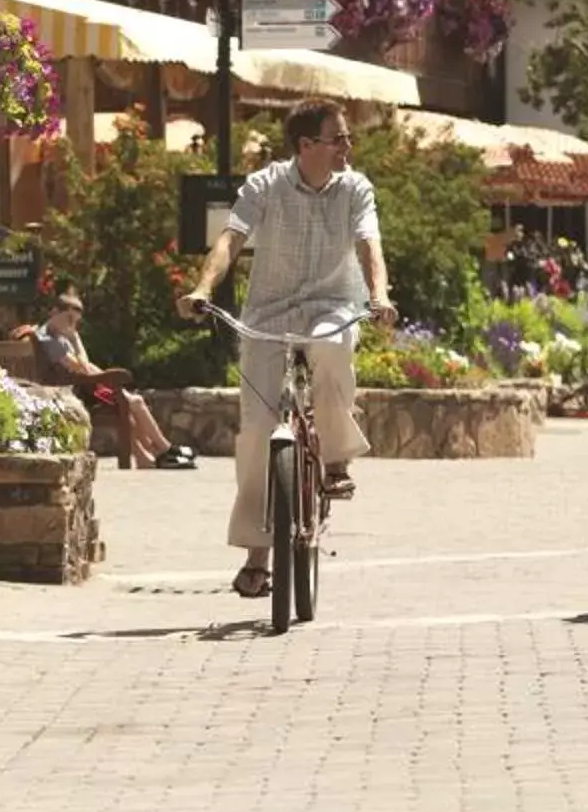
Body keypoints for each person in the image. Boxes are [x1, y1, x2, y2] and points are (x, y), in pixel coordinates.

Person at [180, 100, 393, 602]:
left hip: (333, 303)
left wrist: (379, 295)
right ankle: (257, 556)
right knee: (256, 430)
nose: (347, 147)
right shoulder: (265, 185)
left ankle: (336, 458)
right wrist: (203, 290)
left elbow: (369, 247)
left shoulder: (355, 188)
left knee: (333, 345)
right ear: (306, 146)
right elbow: (230, 240)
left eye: (346, 138)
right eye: (338, 138)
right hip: (269, 313)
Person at [35, 293, 194, 470]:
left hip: (88, 387)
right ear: (54, 312)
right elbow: (83, 369)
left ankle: (145, 457)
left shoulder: (55, 336)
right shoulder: (50, 341)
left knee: (127, 406)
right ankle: (164, 449)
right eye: (69, 318)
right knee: (134, 402)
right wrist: (76, 339)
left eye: (76, 321)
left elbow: (84, 368)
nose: (72, 325)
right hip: (86, 391)